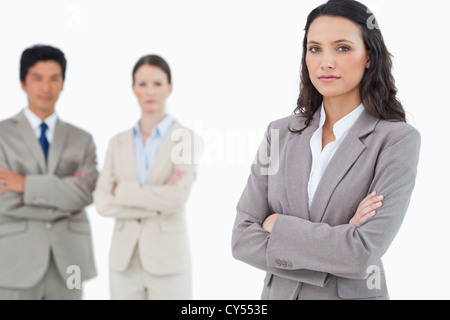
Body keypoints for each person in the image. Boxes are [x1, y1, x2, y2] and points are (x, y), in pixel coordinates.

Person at [232, 0, 421, 300]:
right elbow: (242, 239)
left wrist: (277, 224)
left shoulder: (396, 140)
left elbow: (361, 253)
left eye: (342, 48)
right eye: (315, 48)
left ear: (369, 56)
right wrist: (340, 238)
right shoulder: (279, 133)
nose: (326, 62)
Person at [94, 54, 200, 300]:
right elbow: (101, 201)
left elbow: (176, 198)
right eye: (142, 84)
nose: (150, 91)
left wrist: (123, 193)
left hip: (168, 260)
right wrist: (156, 201)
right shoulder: (117, 142)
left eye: (157, 83)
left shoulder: (186, 138)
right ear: (133, 88)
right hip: (124, 261)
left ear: (169, 87)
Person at [0, 44, 98, 300]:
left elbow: (85, 194)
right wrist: (63, 193)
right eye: (37, 78)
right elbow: (4, 201)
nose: (46, 88)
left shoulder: (82, 139)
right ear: (23, 83)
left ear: (63, 83)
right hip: (14, 262)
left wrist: (24, 184)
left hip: (71, 264)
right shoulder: (1, 136)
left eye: (54, 79)